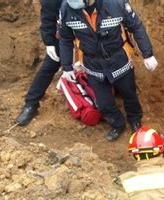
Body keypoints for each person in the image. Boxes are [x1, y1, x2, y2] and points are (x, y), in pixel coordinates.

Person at [58, 0, 158, 141]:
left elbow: (135, 27)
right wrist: (67, 66)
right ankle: (117, 123)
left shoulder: (116, 3)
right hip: (92, 64)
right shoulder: (66, 8)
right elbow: (65, 39)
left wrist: (147, 54)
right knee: (104, 103)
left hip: (118, 59)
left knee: (129, 93)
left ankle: (134, 119)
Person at [14, 0, 63, 126]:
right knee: (50, 65)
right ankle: (31, 105)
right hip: (63, 36)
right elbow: (48, 19)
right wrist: (50, 43)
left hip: (87, 35)